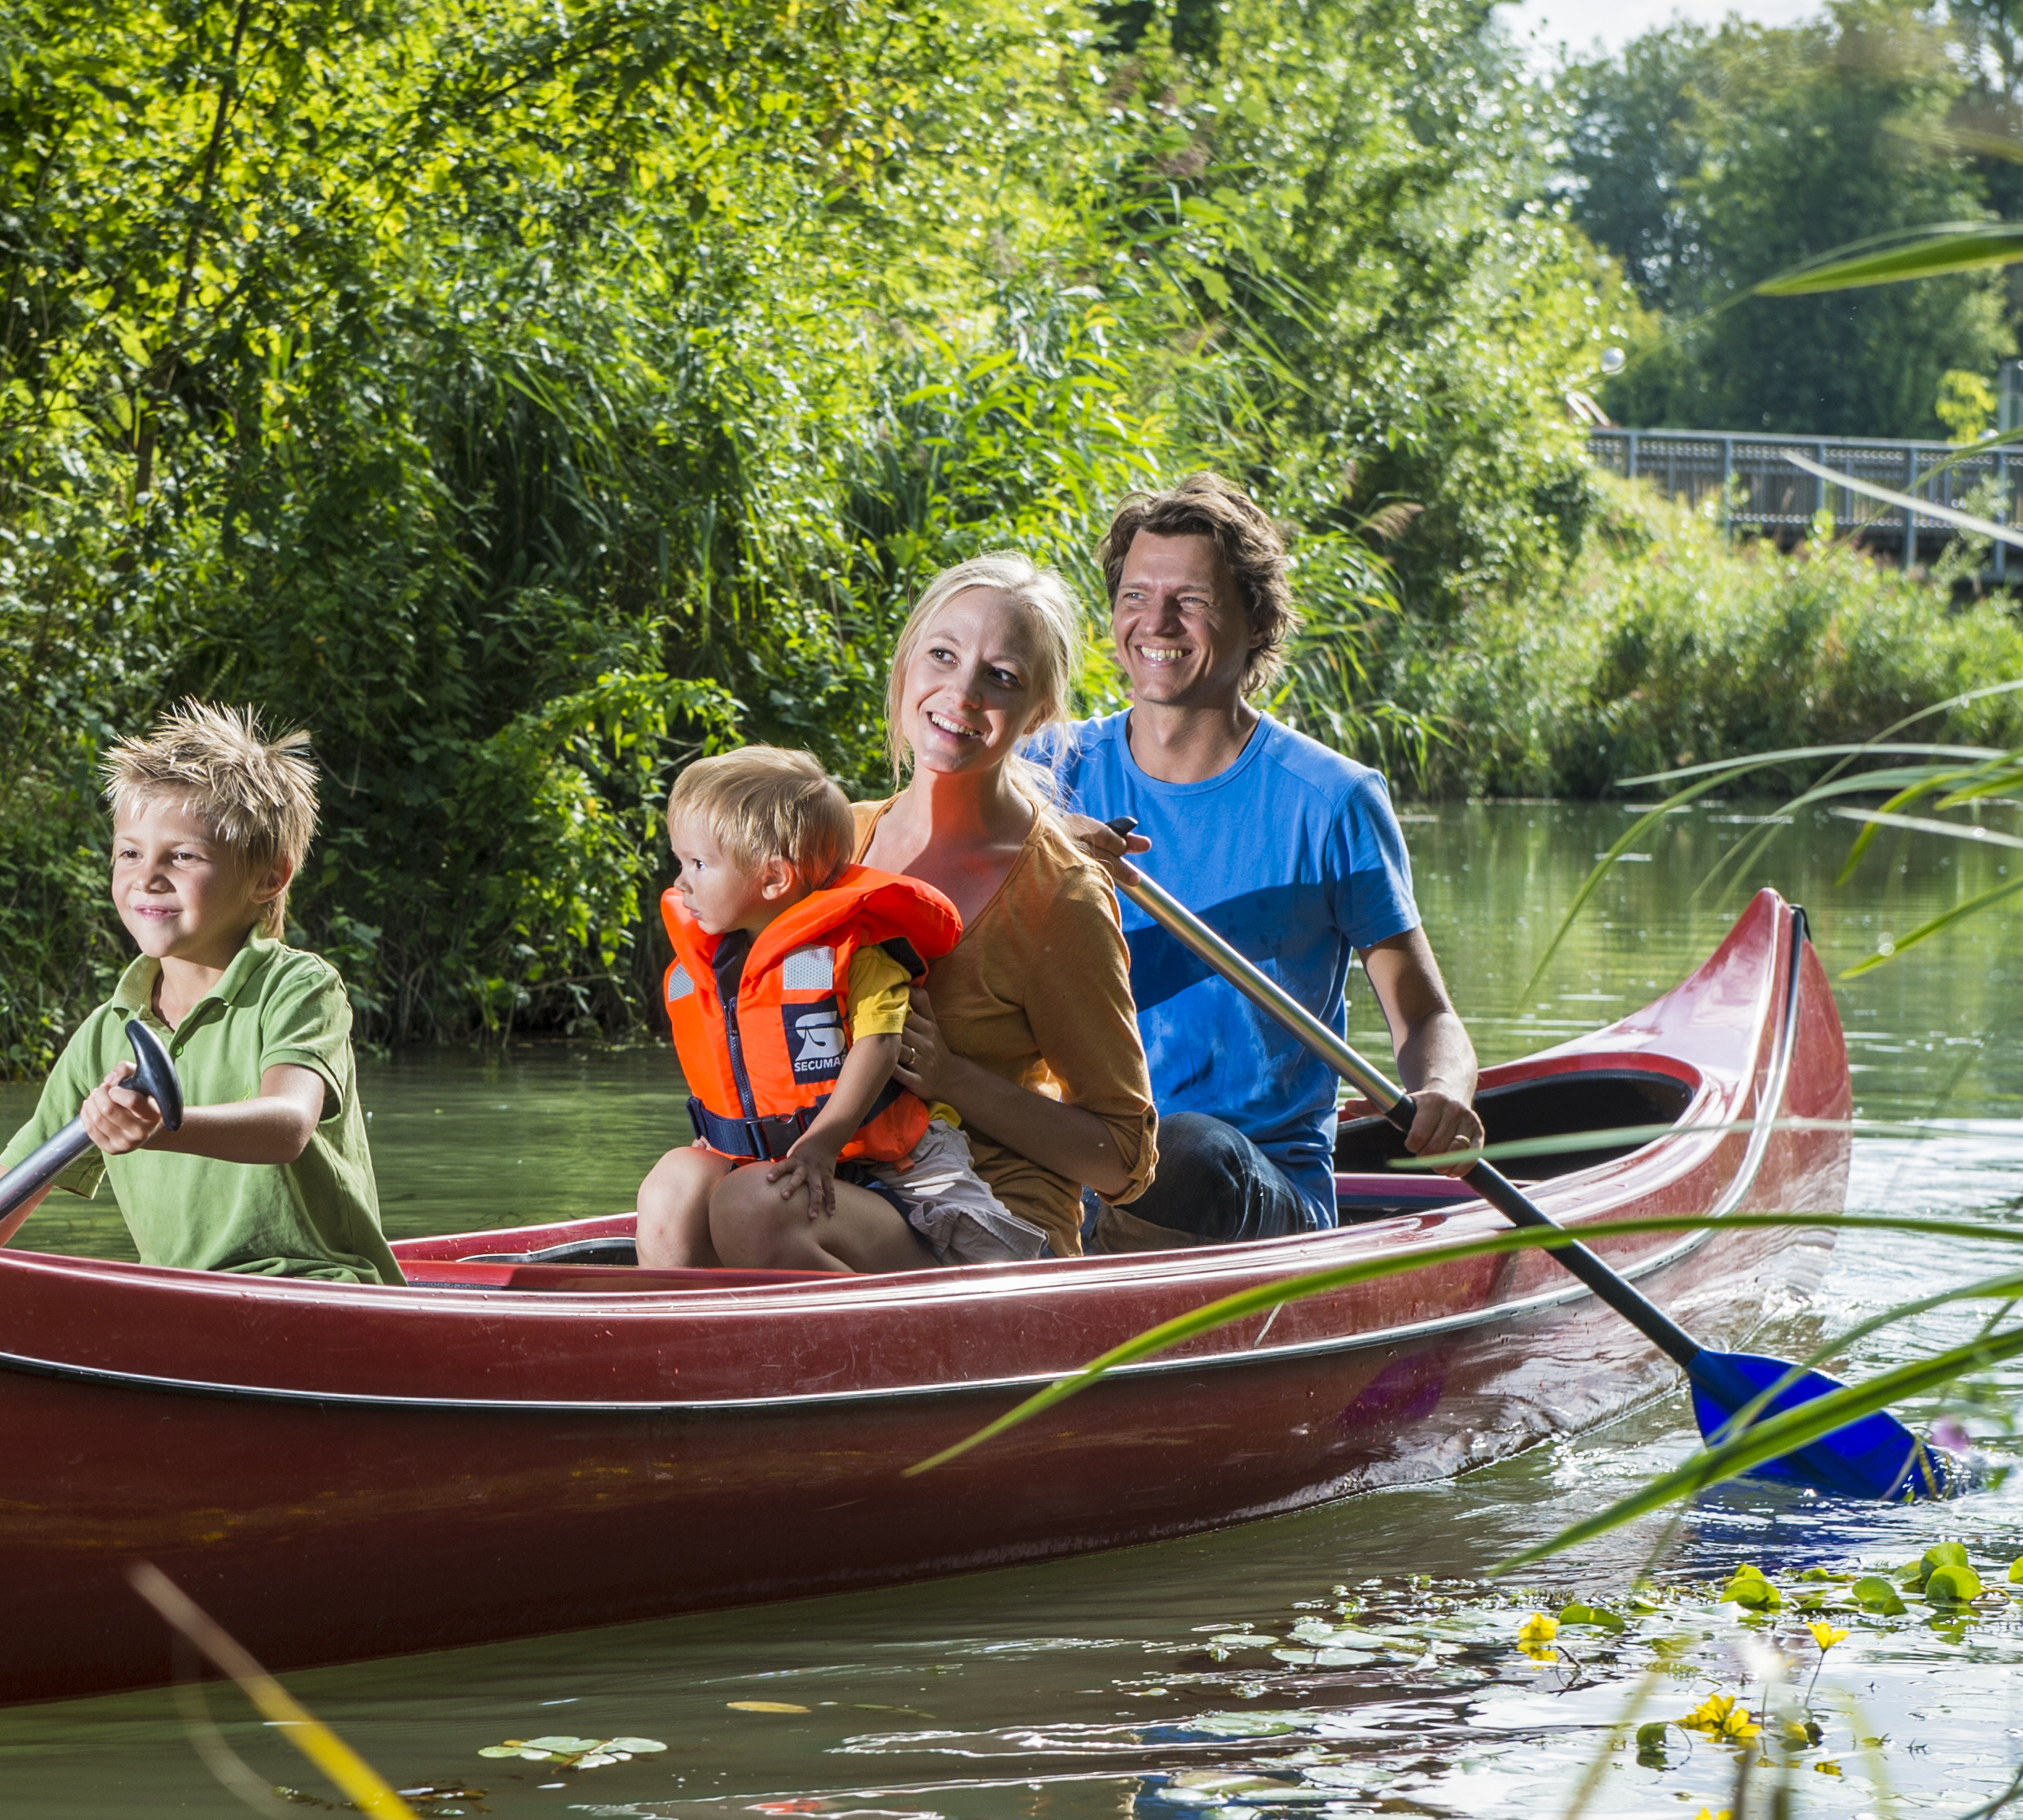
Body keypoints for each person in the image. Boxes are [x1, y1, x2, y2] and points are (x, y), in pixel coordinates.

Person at [1036, 476, 1482, 1246]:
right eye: (1136, 596)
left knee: (1184, 1151)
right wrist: (1026, 850)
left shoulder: (1333, 800)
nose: (1156, 622)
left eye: (1191, 600)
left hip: (1249, 1183)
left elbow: (1425, 1016)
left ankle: (1059, 1278)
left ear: (1257, 622)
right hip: (1065, 1163)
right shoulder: (1043, 773)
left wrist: (1443, 1088)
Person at [0, 702, 403, 1284]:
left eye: (183, 856)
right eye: (130, 853)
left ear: (269, 878)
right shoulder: (106, 1033)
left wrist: (164, 1126)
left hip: (314, 1287)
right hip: (184, 1298)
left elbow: (287, 1124)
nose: (147, 878)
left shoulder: (298, 987)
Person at [812, 554, 1160, 1266]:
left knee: (758, 1209)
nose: (963, 692)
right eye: (942, 656)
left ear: (1041, 713)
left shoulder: (1059, 894)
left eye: (1001, 677)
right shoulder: (833, 843)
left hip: (997, 1227)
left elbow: (1123, 1160)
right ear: (906, 664)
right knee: (686, 1190)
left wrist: (951, 1078)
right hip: (843, 1185)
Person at [632, 746, 1048, 1272]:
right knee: (673, 1182)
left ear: (774, 879)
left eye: (698, 864)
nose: (680, 883)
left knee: (750, 1201)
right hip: (769, 1166)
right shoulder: (714, 967)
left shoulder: (855, 953)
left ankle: (914, 1303)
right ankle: (680, 1316)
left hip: (896, 1171)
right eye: (681, 862)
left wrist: (824, 1140)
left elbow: (880, 1045)